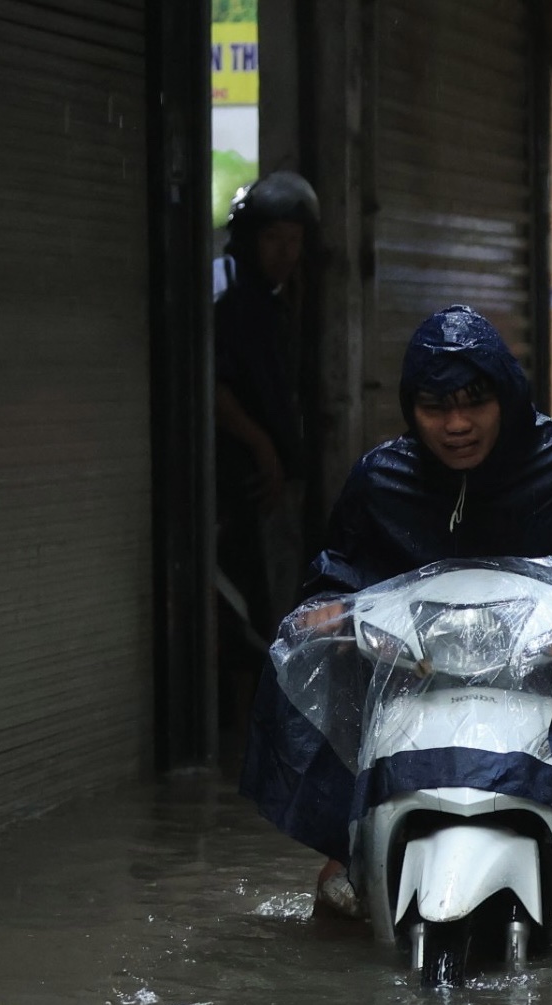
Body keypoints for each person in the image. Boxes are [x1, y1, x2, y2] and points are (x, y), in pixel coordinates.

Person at [250, 305, 552, 916]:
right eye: (436, 407)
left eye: (474, 402)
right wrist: (325, 609)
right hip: (418, 694)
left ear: (508, 397)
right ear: (411, 410)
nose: (457, 424)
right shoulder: (381, 480)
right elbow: (339, 571)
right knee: (337, 896)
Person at [214, 171, 320, 716]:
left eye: (294, 240)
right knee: (252, 598)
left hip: (282, 477)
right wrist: (263, 448)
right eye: (273, 238)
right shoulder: (234, 303)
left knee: (280, 593)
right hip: (250, 480)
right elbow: (217, 388)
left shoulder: (281, 303)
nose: (284, 252)